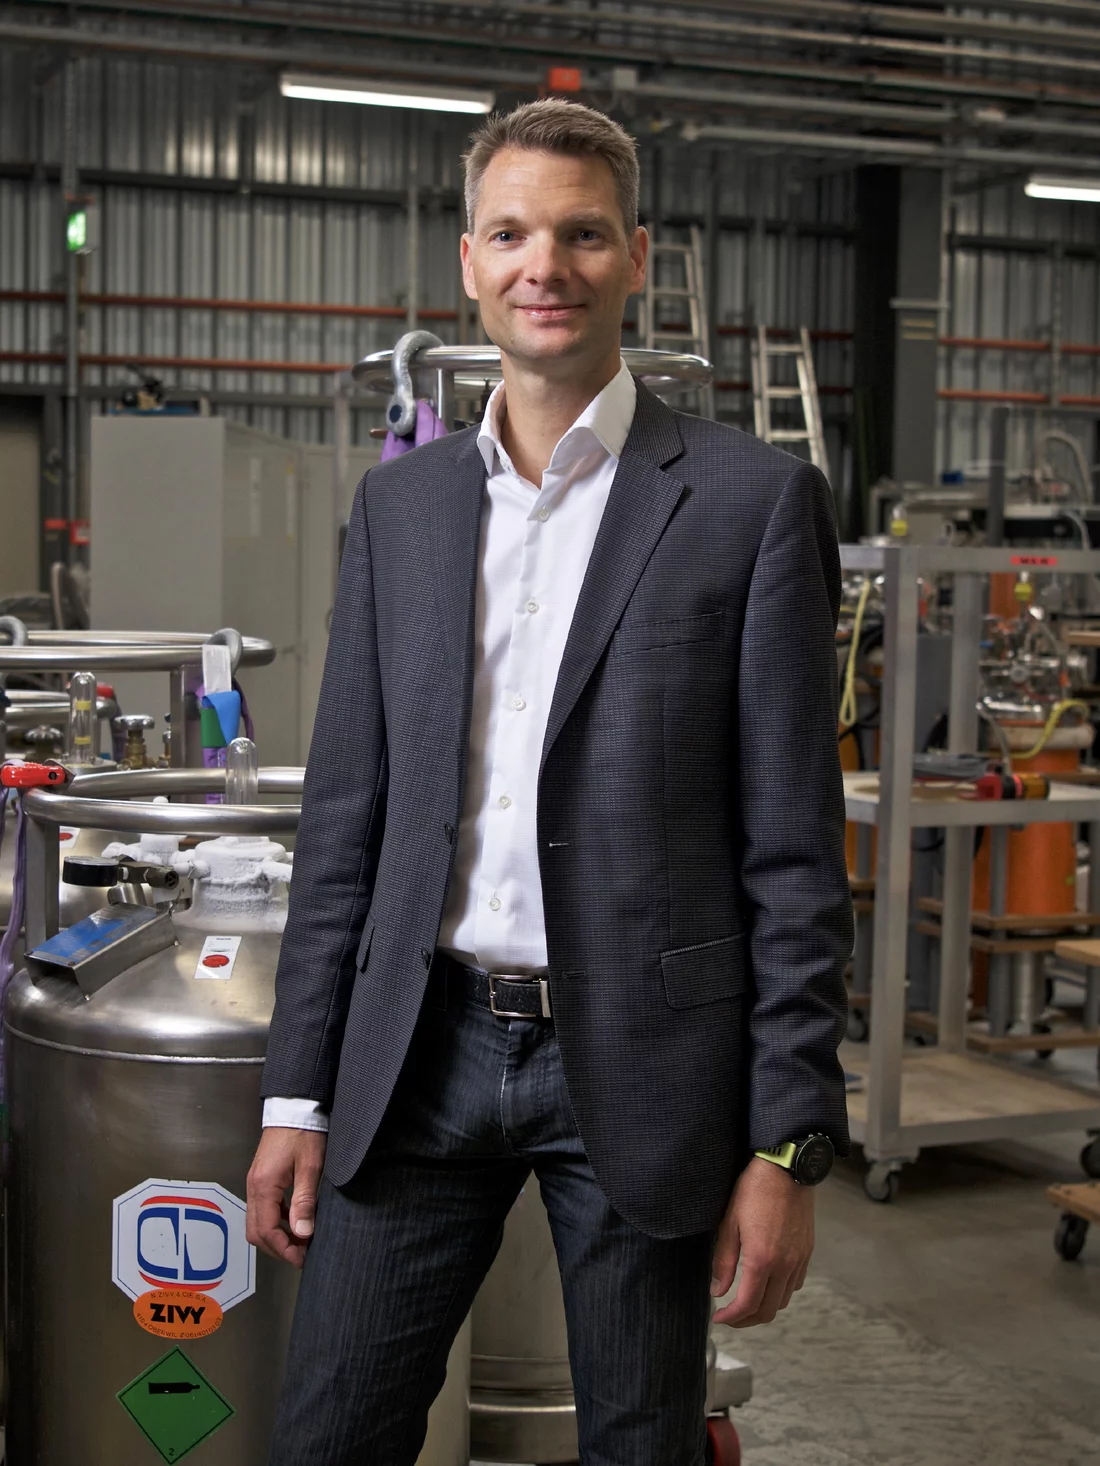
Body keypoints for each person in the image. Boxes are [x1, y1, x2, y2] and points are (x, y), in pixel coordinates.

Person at [247, 97, 852, 1466]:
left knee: (641, 1442)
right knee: (328, 1433)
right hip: (422, 1049)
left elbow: (794, 860)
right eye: (513, 234)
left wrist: (789, 1145)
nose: (547, 266)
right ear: (470, 261)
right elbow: (347, 823)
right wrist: (295, 1096)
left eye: (582, 234)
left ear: (634, 253)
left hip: (641, 1059)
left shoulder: (749, 504)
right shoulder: (400, 511)